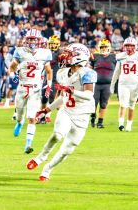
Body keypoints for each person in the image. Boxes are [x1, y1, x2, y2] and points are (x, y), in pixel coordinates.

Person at [27, 43, 97, 181]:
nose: (65, 56)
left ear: (80, 57)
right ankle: (40, 157)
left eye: (70, 54)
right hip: (67, 110)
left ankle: (47, 170)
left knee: (67, 150)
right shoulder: (62, 73)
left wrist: (72, 91)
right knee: (57, 135)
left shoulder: (88, 73)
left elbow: (89, 95)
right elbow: (63, 97)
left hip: (82, 115)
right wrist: (47, 110)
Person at [9, 30, 53, 154]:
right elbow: (11, 67)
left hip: (35, 89)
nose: (31, 41)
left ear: (38, 40)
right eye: (30, 39)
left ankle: (28, 144)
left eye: (34, 39)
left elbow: (49, 71)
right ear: (26, 39)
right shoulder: (20, 51)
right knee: (19, 115)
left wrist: (49, 86)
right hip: (22, 88)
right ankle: (19, 123)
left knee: (32, 117)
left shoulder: (45, 53)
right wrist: (13, 76)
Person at [110, 37, 138, 132]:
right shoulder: (120, 56)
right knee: (123, 104)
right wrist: (112, 84)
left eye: (131, 45)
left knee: (131, 106)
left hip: (135, 85)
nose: (129, 48)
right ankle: (121, 124)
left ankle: (129, 125)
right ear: (124, 46)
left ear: (135, 46)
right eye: (127, 45)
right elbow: (116, 71)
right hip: (123, 84)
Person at [90, 39, 116, 128]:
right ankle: (93, 116)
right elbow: (90, 69)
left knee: (104, 104)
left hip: (107, 84)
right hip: (96, 84)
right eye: (102, 47)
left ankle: (100, 122)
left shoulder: (114, 57)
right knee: (93, 103)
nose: (104, 48)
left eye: (105, 47)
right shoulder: (95, 56)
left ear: (109, 47)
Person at [39, 35, 61, 123]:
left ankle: (47, 116)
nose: (52, 46)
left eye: (54, 44)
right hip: (47, 78)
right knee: (44, 98)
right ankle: (42, 117)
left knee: (52, 98)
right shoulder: (45, 52)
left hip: (56, 78)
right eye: (51, 44)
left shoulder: (61, 53)